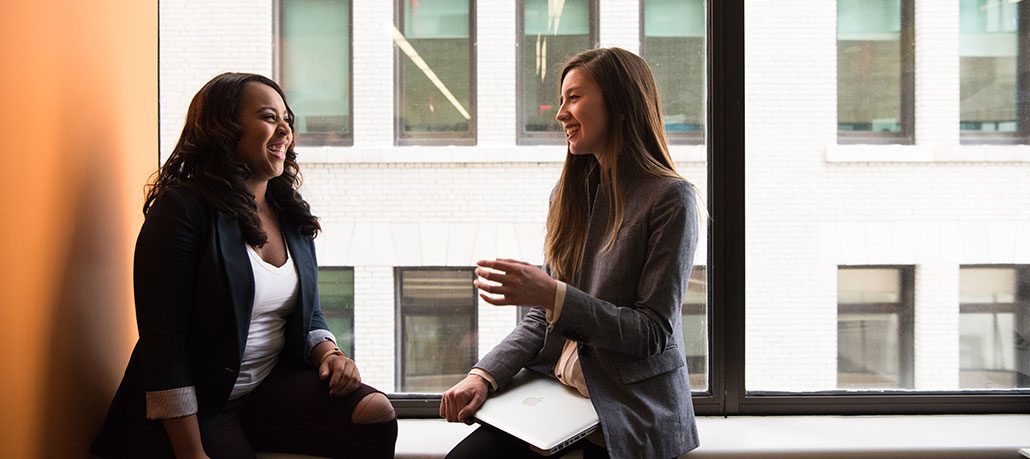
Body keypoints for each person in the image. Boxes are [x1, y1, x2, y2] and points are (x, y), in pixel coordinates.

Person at [91, 72, 397, 458]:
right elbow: (164, 346)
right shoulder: (182, 210)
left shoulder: (289, 213)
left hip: (267, 389)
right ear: (223, 128)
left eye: (288, 119)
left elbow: (309, 313)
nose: (285, 129)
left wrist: (330, 355)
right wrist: (191, 454)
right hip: (200, 408)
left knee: (374, 415)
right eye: (270, 117)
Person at [440, 47, 701, 459]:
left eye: (574, 97)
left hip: (626, 408)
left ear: (620, 103)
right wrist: (484, 375)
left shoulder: (671, 199)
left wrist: (553, 295)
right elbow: (542, 320)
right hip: (557, 397)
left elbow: (652, 333)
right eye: (562, 100)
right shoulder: (571, 195)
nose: (560, 113)